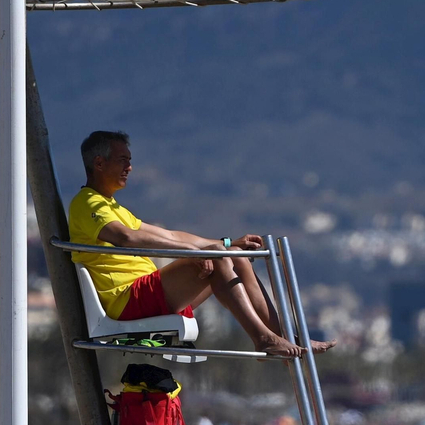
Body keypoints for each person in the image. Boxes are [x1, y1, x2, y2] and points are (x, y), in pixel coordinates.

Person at [68, 130, 328, 359]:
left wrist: (226, 242)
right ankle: (263, 339)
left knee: (234, 254)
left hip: (146, 293)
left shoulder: (111, 206)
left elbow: (170, 236)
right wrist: (198, 252)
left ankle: (282, 334)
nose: (130, 167)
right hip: (127, 300)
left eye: (130, 161)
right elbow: (125, 238)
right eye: (123, 160)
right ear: (99, 163)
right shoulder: (88, 203)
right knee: (216, 256)